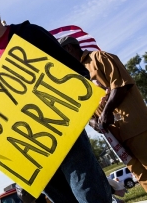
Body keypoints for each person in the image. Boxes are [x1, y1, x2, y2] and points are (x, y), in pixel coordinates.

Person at [0, 0, 112, 203]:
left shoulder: (29, 34)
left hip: (61, 129)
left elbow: (75, 72)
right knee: (62, 198)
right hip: (29, 150)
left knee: (88, 192)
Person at [60, 36, 147, 192]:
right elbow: (86, 111)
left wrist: (106, 112)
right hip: (115, 138)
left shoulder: (98, 57)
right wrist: (93, 122)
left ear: (68, 49)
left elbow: (121, 86)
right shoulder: (77, 78)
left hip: (135, 127)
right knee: (141, 176)